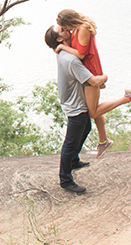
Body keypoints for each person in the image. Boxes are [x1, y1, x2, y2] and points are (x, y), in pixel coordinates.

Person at [55, 9, 131, 158]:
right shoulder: (76, 30)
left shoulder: (83, 28)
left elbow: (81, 54)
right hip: (86, 73)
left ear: (70, 22)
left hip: (90, 72)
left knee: (93, 112)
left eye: (65, 27)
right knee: (94, 107)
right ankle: (103, 141)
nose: (65, 30)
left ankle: (128, 97)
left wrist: (61, 47)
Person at [45, 24, 105, 193]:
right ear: (59, 39)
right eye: (63, 30)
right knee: (70, 143)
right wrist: (104, 77)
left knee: (86, 127)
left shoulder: (64, 52)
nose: (68, 30)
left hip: (75, 101)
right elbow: (93, 81)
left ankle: (73, 161)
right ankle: (65, 180)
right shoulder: (70, 59)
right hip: (75, 105)